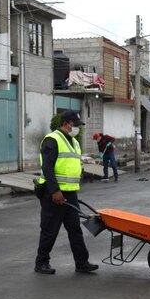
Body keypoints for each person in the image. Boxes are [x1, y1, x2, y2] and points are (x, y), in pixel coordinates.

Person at [34, 110, 99, 275]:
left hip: (70, 193)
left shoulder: (74, 142)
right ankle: (41, 263)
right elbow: (47, 168)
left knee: (75, 229)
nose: (78, 128)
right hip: (53, 194)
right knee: (50, 230)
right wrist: (55, 191)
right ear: (68, 123)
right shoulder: (52, 140)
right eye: (76, 125)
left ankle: (82, 263)